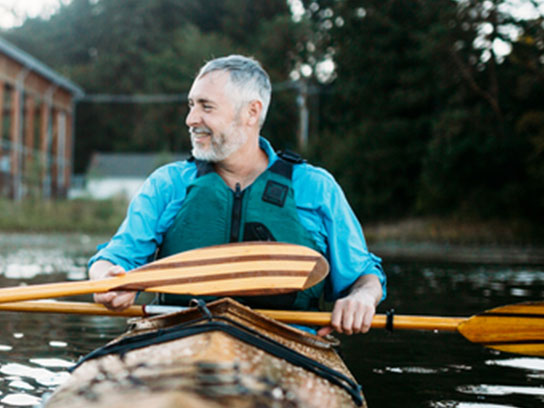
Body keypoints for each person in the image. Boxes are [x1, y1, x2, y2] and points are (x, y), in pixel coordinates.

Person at [89, 55, 385, 337]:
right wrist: (106, 279)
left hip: (288, 342)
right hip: (179, 337)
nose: (191, 119)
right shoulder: (167, 184)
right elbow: (113, 259)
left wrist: (363, 297)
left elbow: (364, 276)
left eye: (206, 106)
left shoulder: (316, 187)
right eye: (191, 105)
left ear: (251, 112)